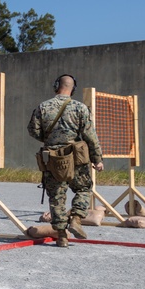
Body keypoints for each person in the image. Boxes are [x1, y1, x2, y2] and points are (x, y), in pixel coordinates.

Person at [27, 74, 104, 248]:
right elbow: (90, 136)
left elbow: (33, 130)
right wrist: (97, 159)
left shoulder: (43, 107)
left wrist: (50, 139)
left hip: (53, 158)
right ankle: (76, 218)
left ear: (56, 86)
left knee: (56, 197)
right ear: (73, 88)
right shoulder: (80, 108)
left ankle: (62, 236)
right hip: (76, 158)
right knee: (84, 188)